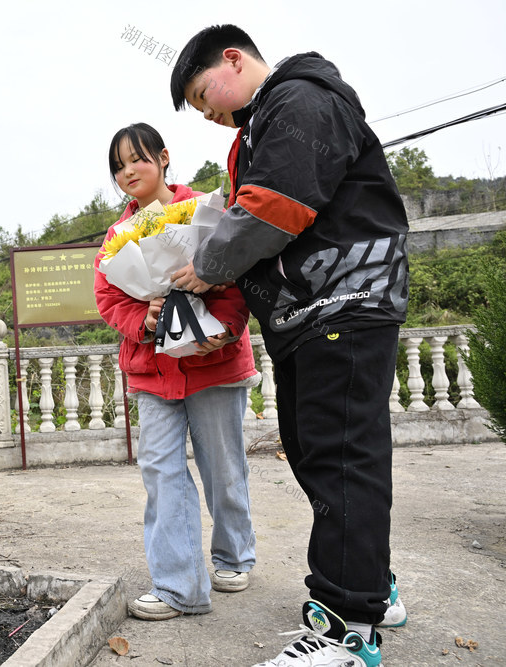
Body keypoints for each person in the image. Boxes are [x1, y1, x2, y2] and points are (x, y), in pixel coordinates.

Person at [168, 25, 408, 667]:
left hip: (345, 304)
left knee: (341, 457)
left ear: (232, 57)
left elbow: (274, 209)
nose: (211, 113)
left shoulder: (299, 100)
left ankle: (347, 631)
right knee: (316, 453)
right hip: (310, 314)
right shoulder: (265, 124)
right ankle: (370, 589)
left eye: (203, 94)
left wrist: (209, 266)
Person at [94, 122, 258, 621]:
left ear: (164, 157)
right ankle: (180, 586)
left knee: (223, 470)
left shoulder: (206, 212)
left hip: (213, 364)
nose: (128, 172)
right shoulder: (118, 236)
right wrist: (140, 318)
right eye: (119, 166)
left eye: (137, 159)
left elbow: (237, 279)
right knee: (161, 474)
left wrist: (225, 326)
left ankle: (234, 556)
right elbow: (107, 297)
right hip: (152, 371)